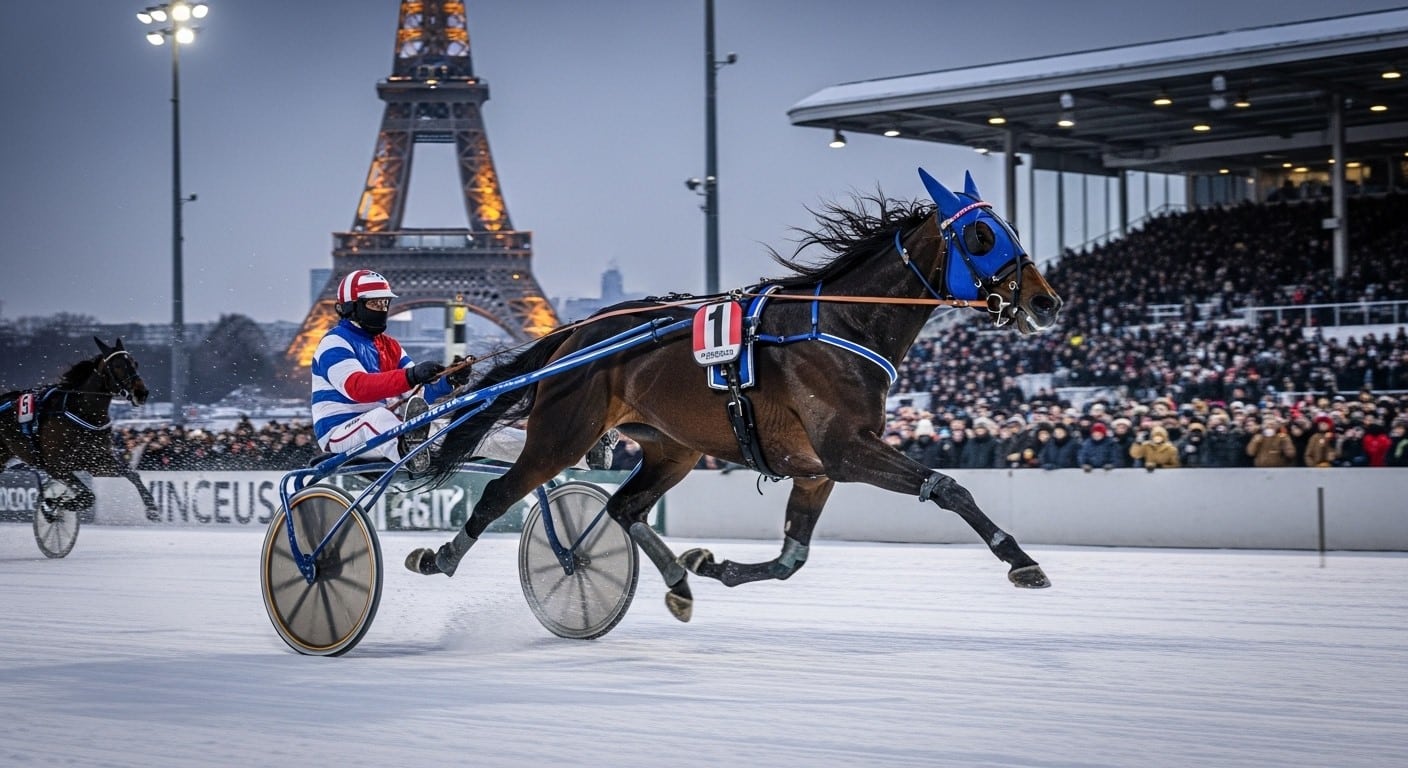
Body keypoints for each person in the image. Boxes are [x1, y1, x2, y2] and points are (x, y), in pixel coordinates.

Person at [310, 270, 471, 470]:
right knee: (379, 417)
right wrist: (411, 375)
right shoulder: (334, 342)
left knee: (449, 423)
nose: (382, 309)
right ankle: (413, 458)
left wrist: (449, 380)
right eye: (374, 303)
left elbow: (418, 395)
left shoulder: (390, 346)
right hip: (339, 432)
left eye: (384, 303)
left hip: (384, 429)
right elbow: (357, 387)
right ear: (351, 307)